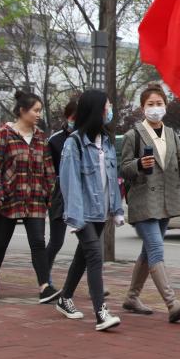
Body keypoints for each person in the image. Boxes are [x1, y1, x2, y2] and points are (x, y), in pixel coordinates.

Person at [119, 84, 180, 322]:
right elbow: (124, 167)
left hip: (166, 201)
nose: (155, 108)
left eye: (159, 103)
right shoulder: (133, 135)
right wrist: (138, 164)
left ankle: (132, 297)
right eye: (150, 104)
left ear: (166, 105)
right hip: (143, 200)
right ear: (142, 108)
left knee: (148, 251)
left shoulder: (172, 134)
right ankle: (172, 303)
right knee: (155, 248)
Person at [54, 90, 124, 331]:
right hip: (82, 213)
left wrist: (116, 210)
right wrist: (75, 218)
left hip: (100, 211)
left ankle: (64, 298)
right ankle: (101, 313)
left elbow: (112, 179)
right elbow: (69, 182)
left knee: (82, 257)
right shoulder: (74, 143)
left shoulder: (107, 142)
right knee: (95, 255)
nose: (110, 110)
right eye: (107, 106)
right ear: (96, 110)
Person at [0, 90, 58, 302]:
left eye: (40, 110)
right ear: (23, 111)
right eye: (35, 110)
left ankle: (45, 286)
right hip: (9, 198)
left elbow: (48, 167)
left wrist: (49, 191)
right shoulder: (4, 133)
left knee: (38, 242)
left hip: (35, 198)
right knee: (1, 242)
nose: (38, 114)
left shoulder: (40, 136)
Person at [45, 95, 79, 287]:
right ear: (67, 117)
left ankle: (95, 283)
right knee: (56, 241)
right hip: (59, 194)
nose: (76, 121)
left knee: (89, 242)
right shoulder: (55, 140)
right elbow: (48, 170)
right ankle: (44, 277)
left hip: (81, 194)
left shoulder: (87, 138)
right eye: (73, 117)